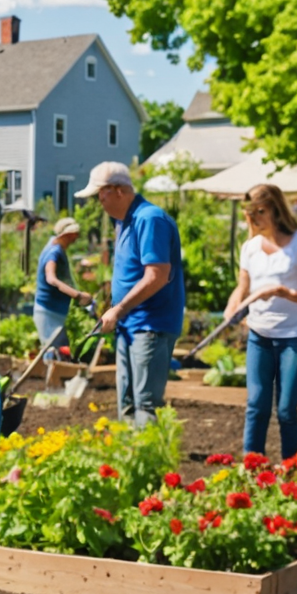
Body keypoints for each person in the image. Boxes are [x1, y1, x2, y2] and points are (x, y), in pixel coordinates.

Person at [80, 161, 186, 428]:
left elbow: (157, 275)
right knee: (126, 403)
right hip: (130, 324)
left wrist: (118, 308)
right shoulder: (123, 222)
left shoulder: (149, 219)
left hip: (151, 325)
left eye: (100, 195)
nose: (98, 202)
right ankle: (127, 462)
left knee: (146, 404)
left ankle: (148, 464)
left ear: (117, 191)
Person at [230, 182, 297, 459]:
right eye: (251, 213)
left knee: (285, 409)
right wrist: (233, 306)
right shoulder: (250, 247)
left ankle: (290, 470)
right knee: (256, 405)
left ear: (275, 209)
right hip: (259, 336)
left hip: (295, 337)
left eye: (260, 211)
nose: (255, 218)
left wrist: (288, 293)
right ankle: (252, 467)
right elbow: (242, 287)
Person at [32, 216, 93, 357]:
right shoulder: (53, 252)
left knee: (60, 352)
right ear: (66, 235)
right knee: (54, 356)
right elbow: (51, 278)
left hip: (53, 311)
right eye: (74, 234)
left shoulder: (55, 247)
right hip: (48, 312)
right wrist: (78, 295)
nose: (76, 237)